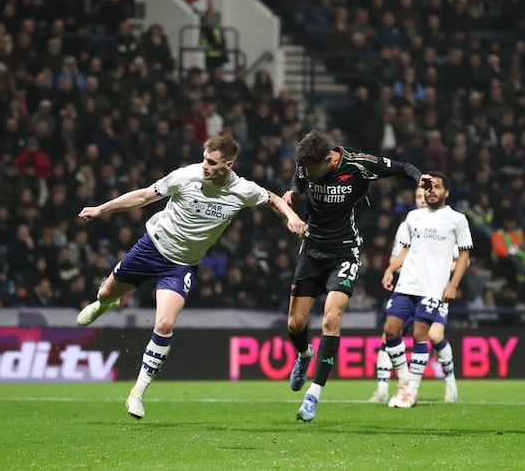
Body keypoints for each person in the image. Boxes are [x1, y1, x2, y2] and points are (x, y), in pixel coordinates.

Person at [76, 134, 306, 419]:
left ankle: (137, 392)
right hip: (152, 247)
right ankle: (104, 303)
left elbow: (272, 198)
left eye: (211, 162)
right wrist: (102, 208)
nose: (205, 166)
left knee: (165, 322)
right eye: (204, 159)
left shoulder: (241, 189)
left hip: (181, 266)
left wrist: (291, 217)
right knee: (108, 292)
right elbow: (145, 195)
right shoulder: (186, 176)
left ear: (228, 164)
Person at [283, 130, 432, 422]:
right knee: (295, 322)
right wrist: (292, 191)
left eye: (314, 170)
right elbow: (299, 178)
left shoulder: (359, 164)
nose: (309, 174)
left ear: (329, 159)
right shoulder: (307, 163)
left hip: (344, 251)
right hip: (312, 250)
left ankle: (312, 397)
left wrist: (419, 178)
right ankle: (303, 355)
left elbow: (401, 167)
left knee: (330, 320)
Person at [379, 172, 472, 408]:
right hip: (407, 283)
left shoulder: (457, 219)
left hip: (433, 288)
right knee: (390, 330)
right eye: (428, 188)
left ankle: (412, 391)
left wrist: (453, 285)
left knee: (422, 334)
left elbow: (463, 256)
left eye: (437, 187)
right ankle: (405, 378)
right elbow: (407, 249)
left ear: (446, 192)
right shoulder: (413, 217)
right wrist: (391, 269)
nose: (432, 191)